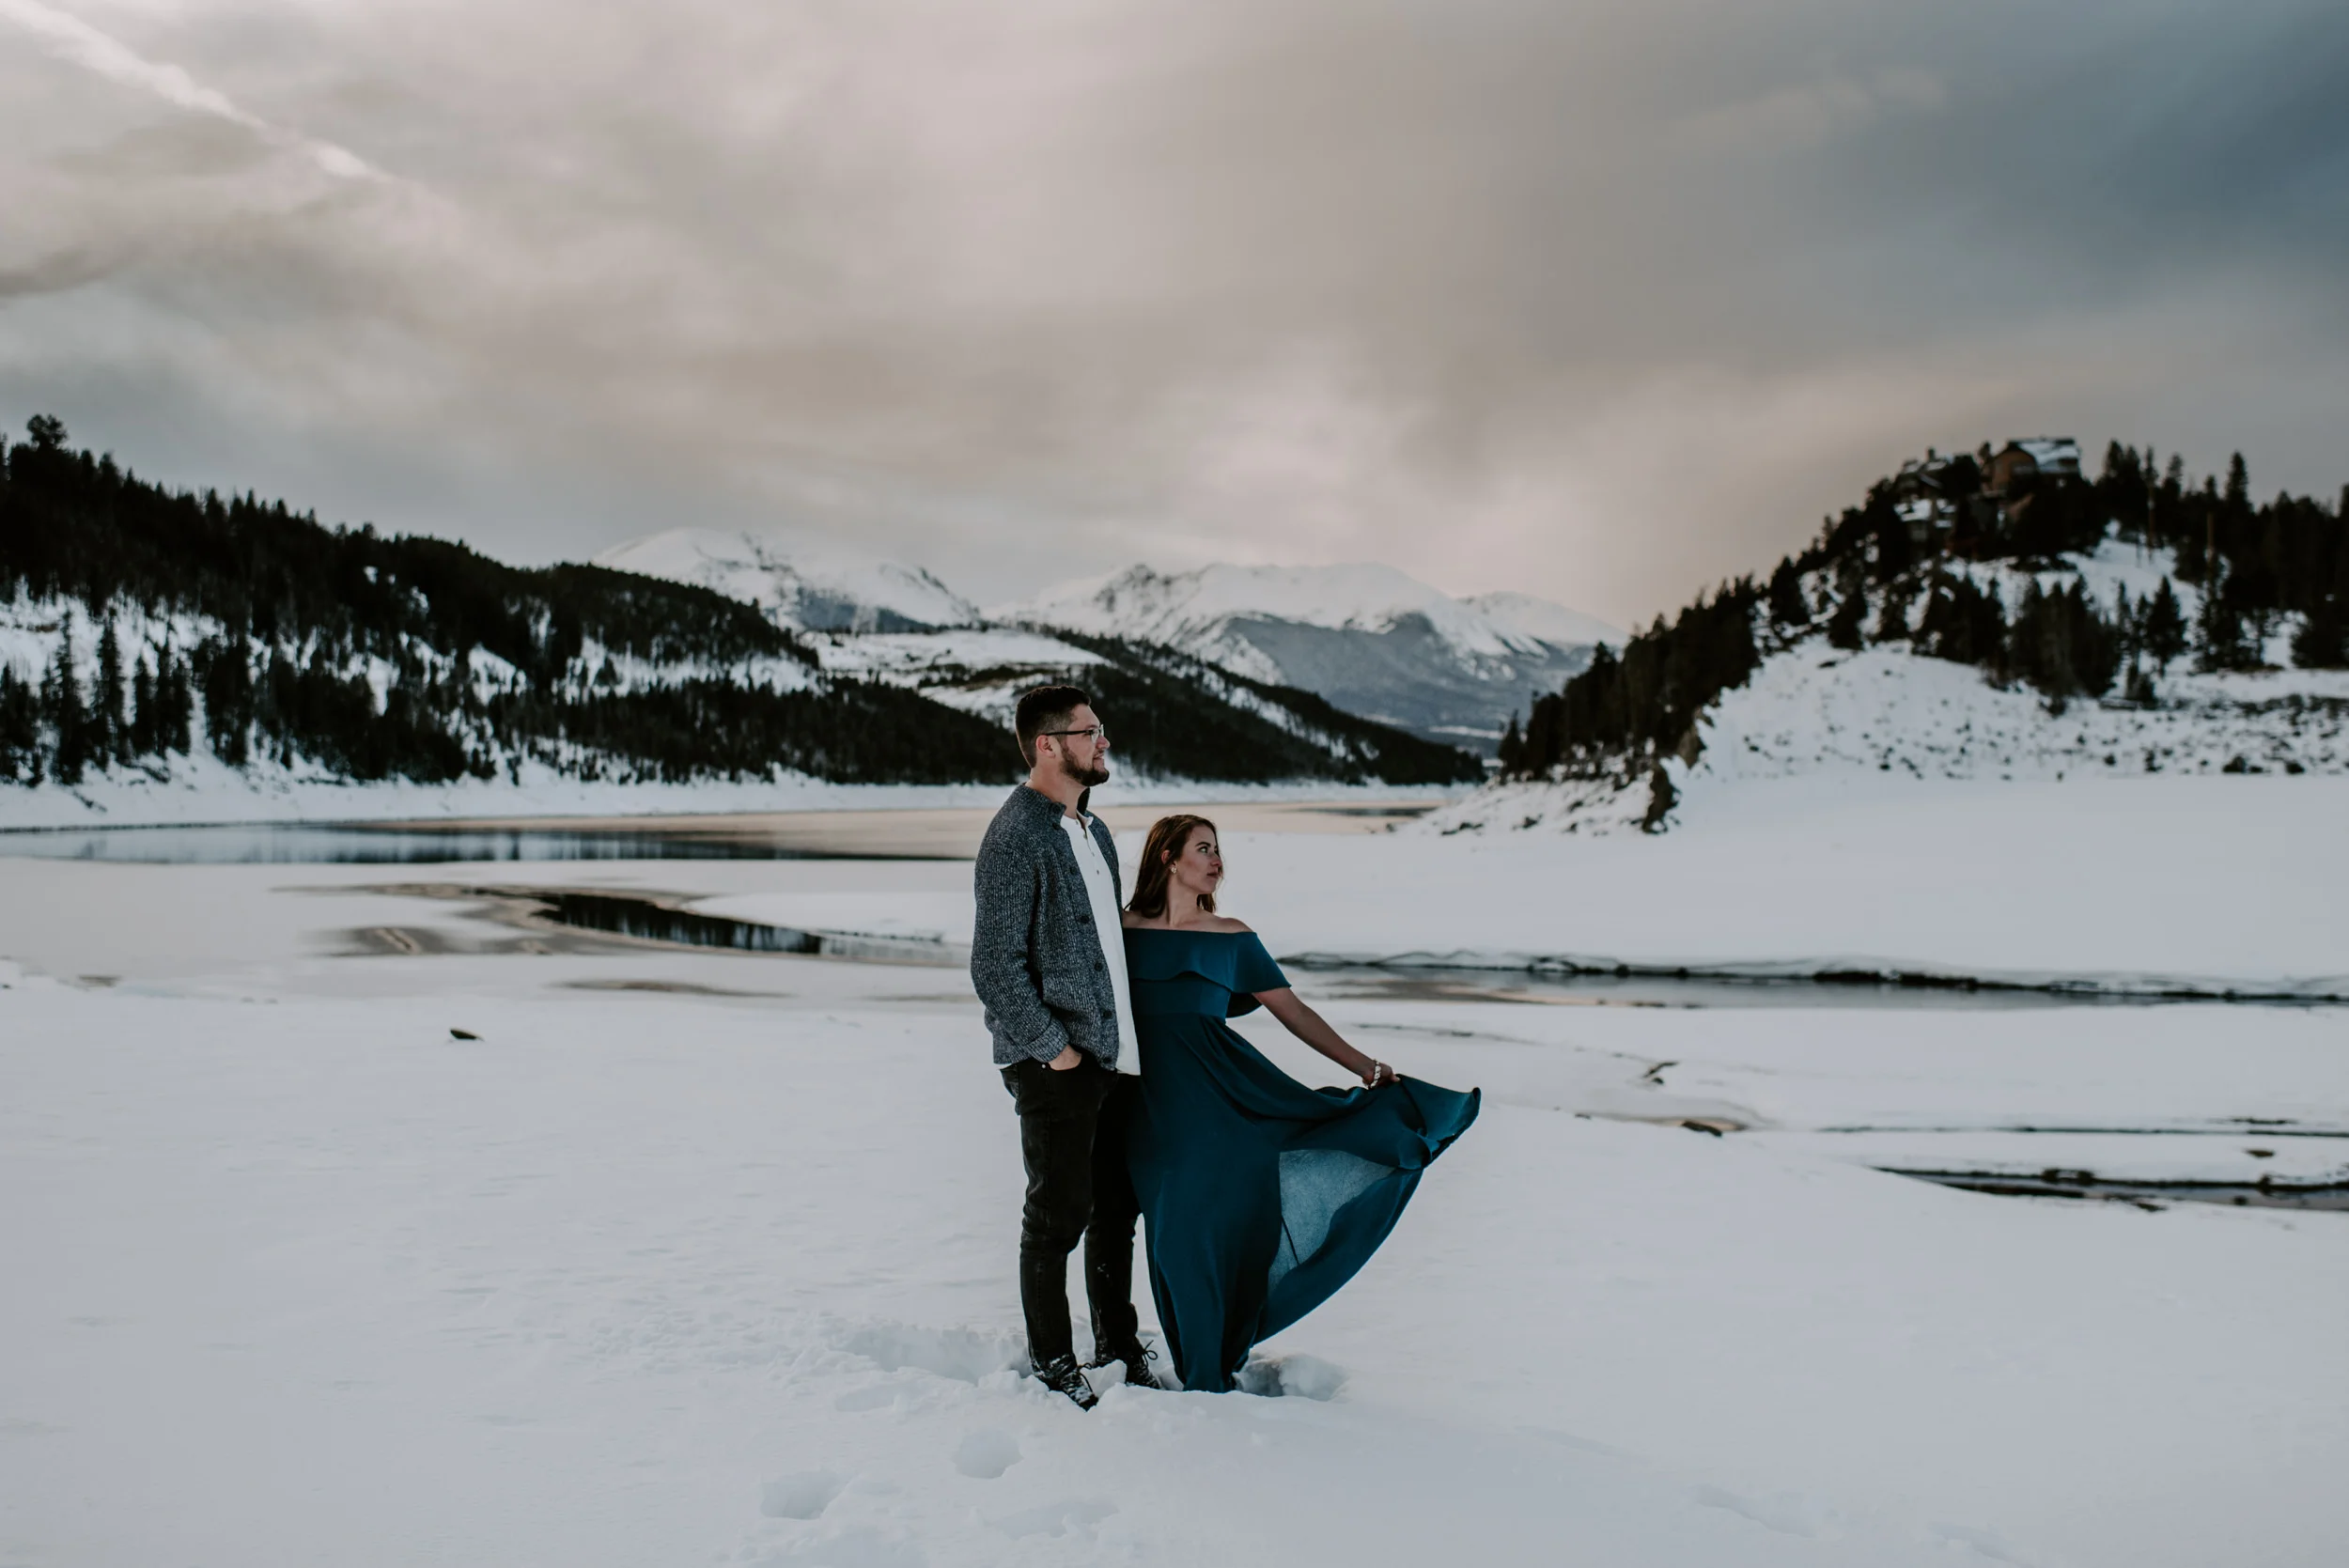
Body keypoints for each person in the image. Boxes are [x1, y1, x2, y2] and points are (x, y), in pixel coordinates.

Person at [1120, 814, 1479, 1393]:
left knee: (1199, 1231)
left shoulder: (1233, 937)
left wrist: (1366, 1068)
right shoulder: (1121, 930)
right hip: (1144, 1108)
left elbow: (1296, 1015)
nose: (1217, 861)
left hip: (1222, 1102)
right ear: (1167, 857)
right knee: (1168, 1236)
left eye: (1218, 851)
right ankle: (1196, 1365)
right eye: (1204, 849)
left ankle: (1205, 1373)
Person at [970, 685, 1161, 1410]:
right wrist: (1056, 1051)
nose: (1102, 741)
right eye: (1090, 731)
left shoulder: (1094, 830)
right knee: (1057, 1215)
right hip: (1054, 1064)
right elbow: (994, 967)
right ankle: (1053, 1360)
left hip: (1110, 1059)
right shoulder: (1015, 836)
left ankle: (1117, 1340)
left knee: (1116, 1209)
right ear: (1049, 744)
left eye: (1100, 728)